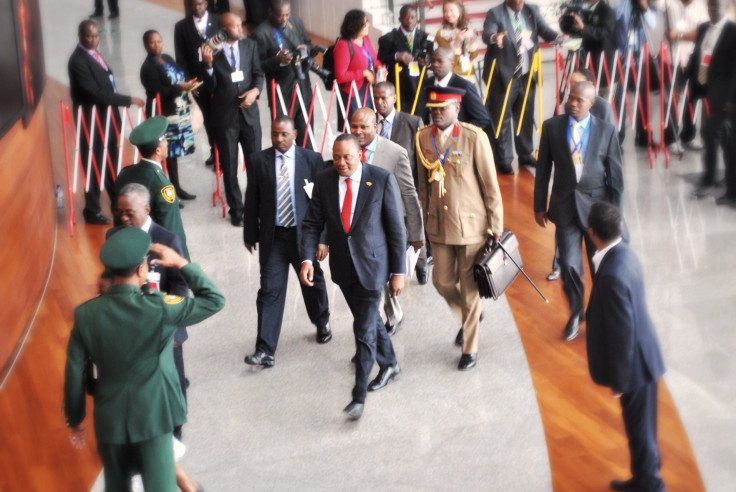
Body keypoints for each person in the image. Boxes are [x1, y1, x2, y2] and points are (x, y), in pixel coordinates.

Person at [64, 227, 225, 491]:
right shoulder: (159, 306)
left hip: (110, 421)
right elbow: (214, 300)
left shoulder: (86, 315)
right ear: (141, 270)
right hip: (153, 418)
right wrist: (181, 263)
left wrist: (75, 418)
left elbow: (74, 370)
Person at [299, 134, 405, 420]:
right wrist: (307, 258)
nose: (341, 163)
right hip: (344, 269)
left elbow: (396, 230)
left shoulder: (380, 180)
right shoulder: (324, 180)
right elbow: (311, 223)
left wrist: (399, 272)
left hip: (373, 268)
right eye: (336, 157)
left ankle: (358, 396)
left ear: (360, 155)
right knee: (367, 320)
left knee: (364, 330)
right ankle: (392, 363)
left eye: (347, 157)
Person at [415, 87, 503, 370]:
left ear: (457, 108)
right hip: (438, 225)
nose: (436, 113)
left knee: (469, 290)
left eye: (442, 108)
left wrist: (495, 224)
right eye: (432, 109)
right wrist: (423, 223)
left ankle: (470, 348)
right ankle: (471, 316)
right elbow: (422, 185)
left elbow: (491, 185)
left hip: (470, 226)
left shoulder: (473, 137)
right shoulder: (422, 138)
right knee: (441, 282)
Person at [585, 201, 666, 492]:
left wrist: (620, 381)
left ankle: (652, 485)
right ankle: (643, 478)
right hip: (644, 357)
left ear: (592, 233)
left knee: (641, 431)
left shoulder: (610, 277)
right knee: (640, 428)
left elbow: (622, 333)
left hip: (635, 366)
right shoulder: (626, 255)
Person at [534, 81, 624, 342]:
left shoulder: (606, 131)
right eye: (569, 98)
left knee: (601, 270)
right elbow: (542, 170)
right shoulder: (552, 128)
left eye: (579, 100)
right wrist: (540, 205)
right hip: (565, 209)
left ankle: (600, 315)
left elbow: (616, 177)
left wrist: (616, 216)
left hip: (598, 212)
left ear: (591, 104)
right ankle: (576, 313)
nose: (572, 103)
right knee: (569, 266)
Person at [101, 184, 191, 441]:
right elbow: (109, 275)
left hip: (164, 327)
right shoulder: (113, 236)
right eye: (120, 213)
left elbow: (181, 285)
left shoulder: (167, 240)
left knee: (173, 382)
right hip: (129, 327)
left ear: (147, 209)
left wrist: (170, 322)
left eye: (130, 212)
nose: (124, 219)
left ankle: (175, 434)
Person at [242, 117, 332, 368]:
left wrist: (323, 238)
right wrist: (250, 233)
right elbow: (252, 199)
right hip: (275, 237)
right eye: (274, 134)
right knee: (269, 290)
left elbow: (322, 202)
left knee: (311, 283)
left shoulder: (311, 160)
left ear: (295, 134)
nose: (278, 139)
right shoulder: (259, 161)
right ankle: (265, 349)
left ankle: (321, 320)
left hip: (304, 236)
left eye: (284, 134)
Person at [350, 108, 424, 335]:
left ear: (375, 127)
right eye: (354, 127)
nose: (358, 132)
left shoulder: (395, 153)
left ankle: (390, 318)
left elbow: (409, 193)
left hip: (386, 227)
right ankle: (387, 317)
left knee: (383, 277)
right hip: (359, 229)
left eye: (364, 127)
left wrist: (417, 233)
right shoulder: (348, 150)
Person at [68, 19, 144, 225]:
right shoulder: (78, 61)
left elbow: (107, 83)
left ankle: (117, 205)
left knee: (110, 162)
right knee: (94, 164)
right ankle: (91, 210)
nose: (93, 40)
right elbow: (95, 94)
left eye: (95, 36)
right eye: (88, 36)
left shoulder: (94, 54)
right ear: (80, 36)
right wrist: (128, 100)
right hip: (92, 121)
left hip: (107, 118)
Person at [547, 68, 617, 282]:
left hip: (593, 195)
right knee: (568, 251)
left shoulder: (603, 110)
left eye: (578, 85)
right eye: (570, 87)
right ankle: (559, 263)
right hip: (567, 191)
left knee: (598, 259)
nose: (573, 96)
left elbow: (609, 151)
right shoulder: (566, 111)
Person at [482, 0, 561, 174]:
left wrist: (557, 38)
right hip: (502, 76)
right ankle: (504, 159)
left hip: (526, 74)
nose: (519, 1)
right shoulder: (495, 13)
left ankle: (525, 154)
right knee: (502, 118)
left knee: (525, 115)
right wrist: (495, 38)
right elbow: (487, 33)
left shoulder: (531, 10)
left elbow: (544, 30)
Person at [202, 12, 265, 227]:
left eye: (241, 25)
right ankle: (237, 209)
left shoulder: (250, 46)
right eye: (236, 26)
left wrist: (255, 92)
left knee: (255, 163)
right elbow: (209, 88)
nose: (242, 29)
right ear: (223, 30)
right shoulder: (211, 50)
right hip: (225, 118)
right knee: (229, 166)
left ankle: (256, 207)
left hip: (249, 116)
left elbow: (258, 73)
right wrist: (208, 65)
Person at [373, 81, 429, 283]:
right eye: (376, 98)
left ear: (394, 98)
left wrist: (422, 192)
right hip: (380, 187)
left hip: (406, 186)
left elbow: (421, 162)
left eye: (384, 98)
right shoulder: (370, 123)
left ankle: (421, 263)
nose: (379, 102)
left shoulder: (412, 122)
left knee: (413, 226)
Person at [116, 116, 191, 260]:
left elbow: (119, 218)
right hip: (155, 256)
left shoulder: (125, 174)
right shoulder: (163, 186)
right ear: (157, 150)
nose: (167, 143)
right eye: (165, 141)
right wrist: (183, 263)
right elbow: (172, 230)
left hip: (129, 250)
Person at [686, 0, 736, 203]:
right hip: (708, 90)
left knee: (713, 134)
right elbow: (697, 55)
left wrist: (732, 99)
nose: (712, 9)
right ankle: (724, 181)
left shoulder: (733, 31)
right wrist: (684, 80)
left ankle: (710, 181)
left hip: (726, 97)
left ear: (726, 7)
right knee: (724, 139)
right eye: (709, 5)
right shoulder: (704, 27)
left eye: (716, 6)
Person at [140, 30, 199, 201]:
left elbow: (181, 73)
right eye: (152, 42)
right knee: (164, 154)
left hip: (178, 109)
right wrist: (181, 87)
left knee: (173, 153)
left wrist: (189, 84)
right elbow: (159, 91)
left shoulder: (166, 57)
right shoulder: (147, 68)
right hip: (163, 113)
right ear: (146, 45)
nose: (156, 44)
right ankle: (167, 193)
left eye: (159, 41)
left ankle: (176, 188)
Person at [252, 0, 315, 149]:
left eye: (287, 14)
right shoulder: (260, 33)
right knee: (283, 137)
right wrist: (276, 60)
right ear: (271, 12)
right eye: (280, 16)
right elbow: (257, 66)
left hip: (303, 85)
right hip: (281, 91)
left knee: (307, 135)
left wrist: (305, 48)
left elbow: (309, 44)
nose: (284, 19)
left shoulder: (296, 22)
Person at [174, 0, 220, 166]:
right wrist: (188, 82)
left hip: (217, 77)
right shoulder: (181, 27)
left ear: (206, 4)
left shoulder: (218, 21)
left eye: (200, 4)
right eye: (193, 5)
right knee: (207, 118)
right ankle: (213, 151)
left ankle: (223, 152)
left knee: (220, 118)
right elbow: (181, 58)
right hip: (198, 82)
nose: (197, 8)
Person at [612, 0, 658, 146]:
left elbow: (652, 24)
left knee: (643, 98)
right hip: (623, 57)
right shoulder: (621, 3)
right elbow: (614, 15)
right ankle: (618, 138)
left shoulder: (648, 5)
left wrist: (644, 7)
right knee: (620, 99)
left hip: (641, 58)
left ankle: (644, 135)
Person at [664, 0, 709, 148]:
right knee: (673, 98)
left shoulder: (700, 6)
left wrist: (678, 35)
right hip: (672, 58)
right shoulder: (669, 3)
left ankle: (688, 136)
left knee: (692, 97)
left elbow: (702, 33)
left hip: (692, 57)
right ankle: (671, 138)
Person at [334, 9, 385, 132]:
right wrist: (363, 73)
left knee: (368, 125)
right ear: (356, 25)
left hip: (367, 90)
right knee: (356, 128)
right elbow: (340, 75)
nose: (368, 25)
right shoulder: (343, 45)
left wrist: (380, 67)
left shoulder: (365, 40)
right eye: (365, 22)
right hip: (352, 93)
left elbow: (373, 58)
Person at [377, 4, 433, 113]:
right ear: (400, 19)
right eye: (406, 17)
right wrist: (397, 56)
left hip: (420, 86)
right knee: (402, 118)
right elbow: (381, 57)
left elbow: (431, 58)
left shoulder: (426, 37)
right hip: (399, 86)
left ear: (417, 19)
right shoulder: (388, 38)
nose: (410, 20)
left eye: (413, 17)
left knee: (420, 118)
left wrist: (426, 61)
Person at [422, 46, 491, 130]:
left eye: (440, 61)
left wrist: (459, 133)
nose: (435, 64)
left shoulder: (464, 86)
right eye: (433, 60)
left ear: (452, 63)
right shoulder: (427, 84)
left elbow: (482, 119)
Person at [561, 0, 616, 88]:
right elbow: (580, 31)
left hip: (602, 57)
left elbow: (606, 33)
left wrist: (584, 27)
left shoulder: (606, 10)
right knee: (586, 88)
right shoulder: (584, 9)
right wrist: (569, 30)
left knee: (602, 91)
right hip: (586, 56)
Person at [435, 0, 480, 78]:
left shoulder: (467, 27)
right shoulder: (441, 33)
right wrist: (457, 42)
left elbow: (473, 56)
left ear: (460, 10)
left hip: (469, 73)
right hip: (452, 75)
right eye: (445, 11)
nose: (448, 14)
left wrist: (472, 39)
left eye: (452, 10)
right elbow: (450, 62)